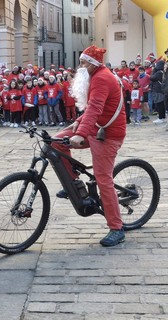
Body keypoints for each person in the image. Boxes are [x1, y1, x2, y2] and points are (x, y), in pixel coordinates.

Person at [52, 45, 126, 247]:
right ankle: (74, 185)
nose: (80, 65)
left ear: (93, 63)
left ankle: (117, 228)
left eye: (83, 62)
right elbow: (93, 108)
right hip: (95, 127)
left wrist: (80, 134)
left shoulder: (102, 78)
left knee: (103, 179)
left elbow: (96, 107)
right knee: (56, 142)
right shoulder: (95, 75)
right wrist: (79, 122)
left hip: (108, 134)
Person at [150, 59, 166, 124]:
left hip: (158, 91)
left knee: (159, 104)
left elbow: (152, 78)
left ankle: (160, 118)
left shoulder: (159, 72)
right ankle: (162, 117)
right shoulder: (162, 72)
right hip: (161, 90)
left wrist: (153, 70)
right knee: (161, 104)